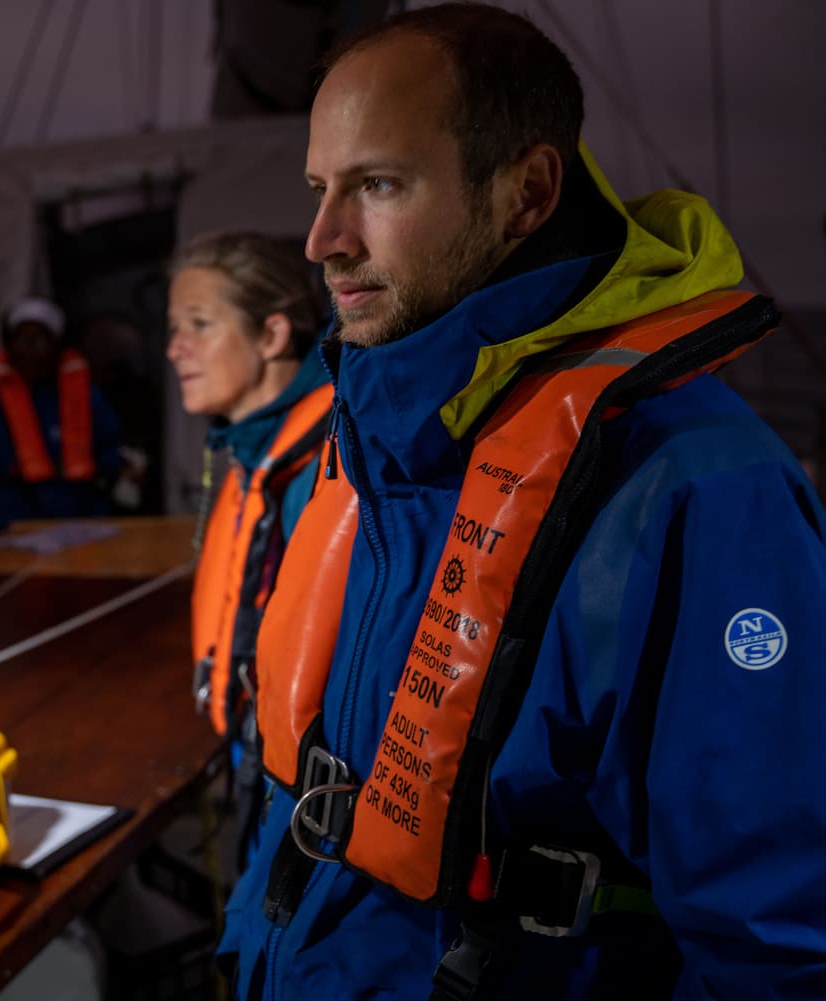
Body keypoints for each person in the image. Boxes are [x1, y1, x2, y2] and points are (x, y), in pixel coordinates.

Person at [219, 5, 826, 1000]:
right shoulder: (367, 433)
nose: (323, 237)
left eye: (377, 184)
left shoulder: (700, 490)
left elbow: (781, 944)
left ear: (526, 194)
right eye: (320, 189)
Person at [167, 232, 334, 866]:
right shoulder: (249, 452)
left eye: (199, 325)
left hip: (293, 794)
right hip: (248, 754)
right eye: (174, 327)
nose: (173, 348)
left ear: (271, 337)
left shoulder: (318, 473)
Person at [0, 297, 124, 543]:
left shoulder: (88, 399)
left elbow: (112, 456)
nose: (30, 349)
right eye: (21, 339)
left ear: (57, 345)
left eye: (40, 339)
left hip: (82, 528)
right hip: (12, 530)